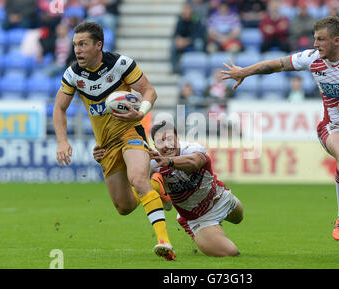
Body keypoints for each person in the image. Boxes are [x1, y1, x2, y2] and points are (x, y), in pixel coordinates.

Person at [221, 16, 339, 261]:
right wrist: (244, 72)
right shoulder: (312, 59)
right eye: (315, 38)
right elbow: (278, 64)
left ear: (337, 40)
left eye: (320, 39)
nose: (315, 43)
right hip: (333, 126)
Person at [52, 22, 176, 261]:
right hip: (106, 145)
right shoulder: (73, 75)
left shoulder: (121, 65)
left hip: (131, 132)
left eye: (83, 44)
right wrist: (62, 142)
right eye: (75, 45)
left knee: (138, 179)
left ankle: (164, 241)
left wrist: (141, 112)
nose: (77, 50)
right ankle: (158, 186)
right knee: (124, 207)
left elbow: (149, 91)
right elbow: (59, 108)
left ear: (98, 45)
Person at [93, 120, 244, 257]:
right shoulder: (152, 163)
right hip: (198, 218)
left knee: (239, 218)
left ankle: (166, 196)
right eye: (160, 141)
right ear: (155, 145)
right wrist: (107, 159)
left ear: (178, 138)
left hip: (221, 198)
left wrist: (169, 161)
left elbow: (194, 162)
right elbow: (129, 183)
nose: (166, 145)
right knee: (231, 253)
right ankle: (188, 218)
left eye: (170, 138)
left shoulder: (191, 148)